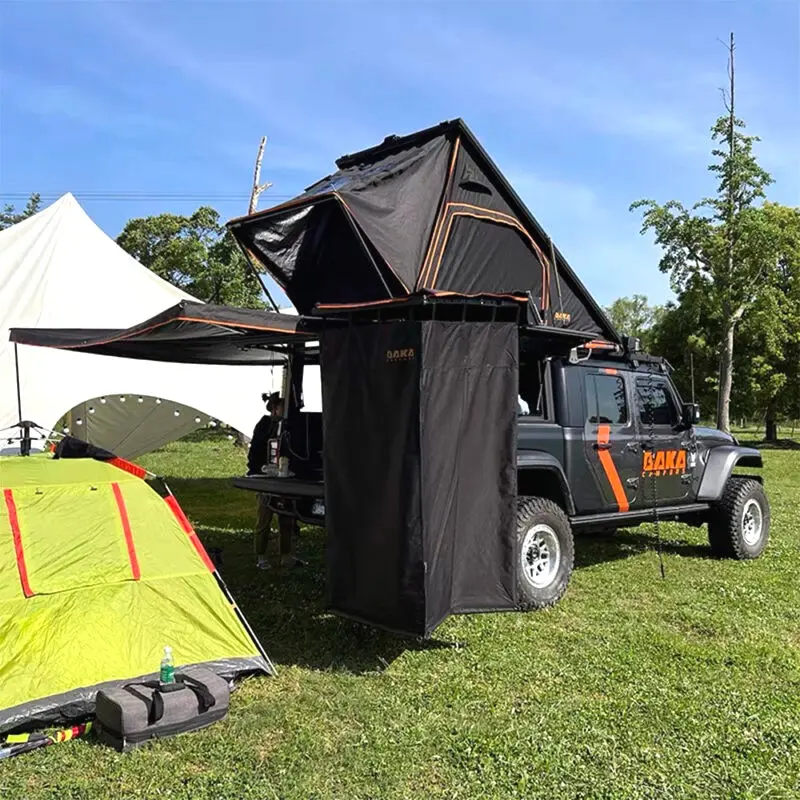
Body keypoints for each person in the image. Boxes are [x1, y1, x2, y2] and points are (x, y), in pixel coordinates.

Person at [247, 392, 300, 570]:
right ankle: (260, 555)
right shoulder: (264, 425)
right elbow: (255, 451)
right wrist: (259, 469)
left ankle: (286, 555)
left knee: (286, 517)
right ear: (275, 408)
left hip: (285, 476)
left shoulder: (290, 426)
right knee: (265, 516)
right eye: (282, 407)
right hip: (265, 477)